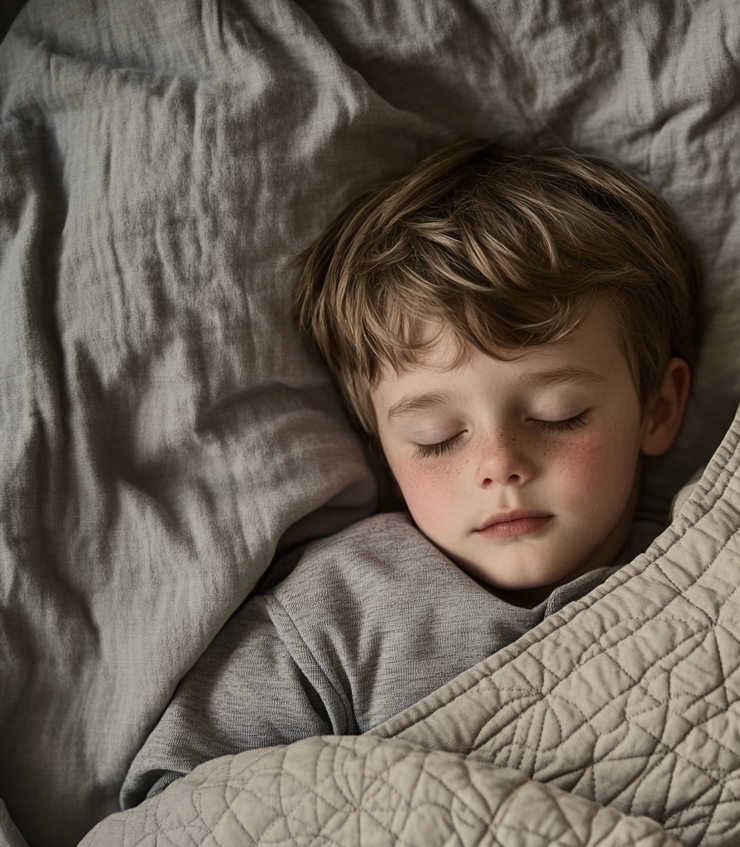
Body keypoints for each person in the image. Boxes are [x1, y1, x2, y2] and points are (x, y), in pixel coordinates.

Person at [121, 138, 701, 807]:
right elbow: (173, 812)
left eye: (558, 413)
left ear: (657, 410)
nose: (499, 465)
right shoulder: (342, 610)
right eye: (436, 438)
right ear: (382, 449)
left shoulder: (715, 568)